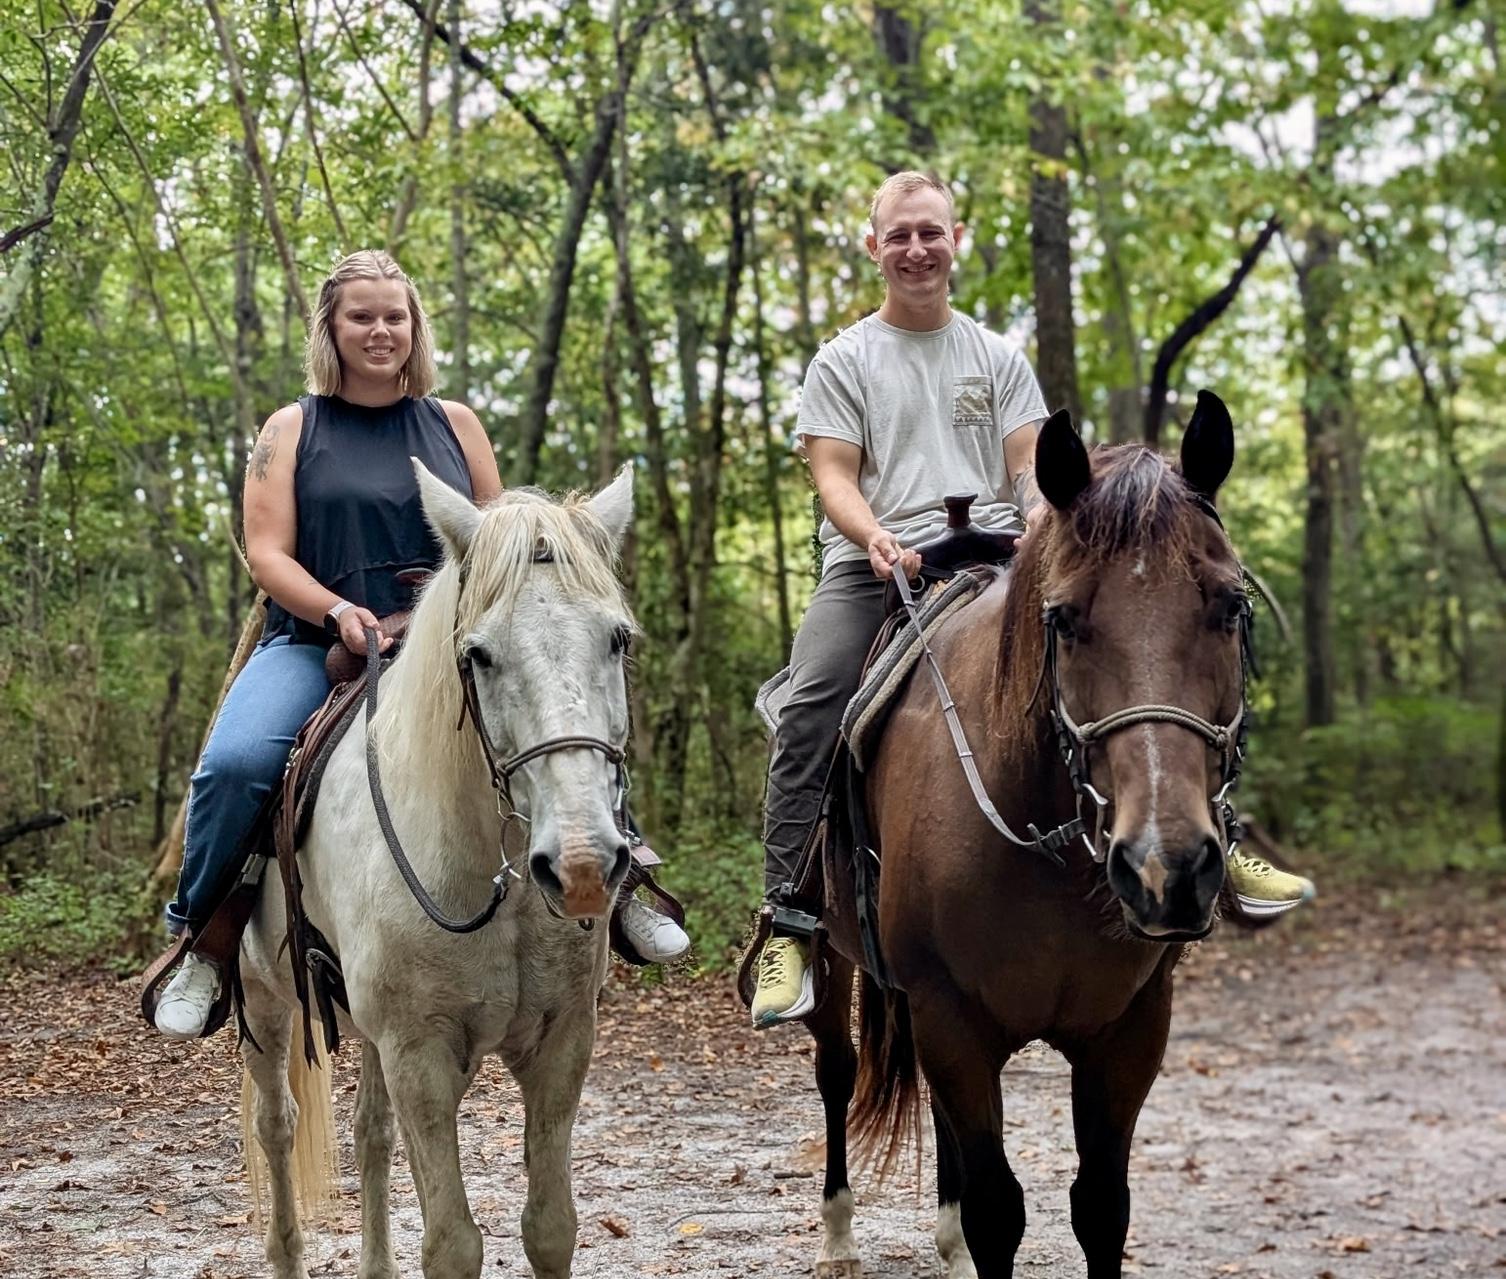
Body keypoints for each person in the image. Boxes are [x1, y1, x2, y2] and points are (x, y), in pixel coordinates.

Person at [748, 172, 1314, 1029]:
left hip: (998, 563)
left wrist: (1051, 525)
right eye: (899, 235)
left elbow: (1026, 468)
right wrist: (873, 535)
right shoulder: (844, 360)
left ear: (957, 240)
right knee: (812, 702)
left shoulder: (995, 357)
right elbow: (834, 473)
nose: (916, 249)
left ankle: (1217, 841)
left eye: (931, 232)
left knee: (1138, 657)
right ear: (873, 248)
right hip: (875, 568)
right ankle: (789, 916)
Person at [155, 250, 687, 1040]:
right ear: (331, 328)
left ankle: (624, 880)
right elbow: (267, 553)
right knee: (234, 765)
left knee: (561, 711)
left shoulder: (455, 424)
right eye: (361, 316)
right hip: (316, 643)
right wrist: (339, 610)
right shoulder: (290, 429)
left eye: (394, 316)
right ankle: (203, 941)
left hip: (442, 646)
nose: (380, 330)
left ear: (414, 327)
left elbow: (498, 546)